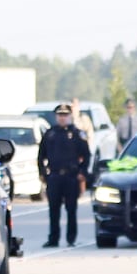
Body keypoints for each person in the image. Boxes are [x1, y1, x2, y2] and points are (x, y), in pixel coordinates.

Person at [36, 103, 90, 247]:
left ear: (70, 116)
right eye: (60, 115)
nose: (62, 118)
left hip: (71, 177)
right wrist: (43, 174)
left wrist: (82, 173)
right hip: (54, 177)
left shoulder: (78, 134)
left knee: (71, 209)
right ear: (56, 116)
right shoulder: (50, 134)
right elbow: (41, 156)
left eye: (65, 115)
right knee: (54, 210)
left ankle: (71, 238)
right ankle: (53, 239)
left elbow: (86, 156)